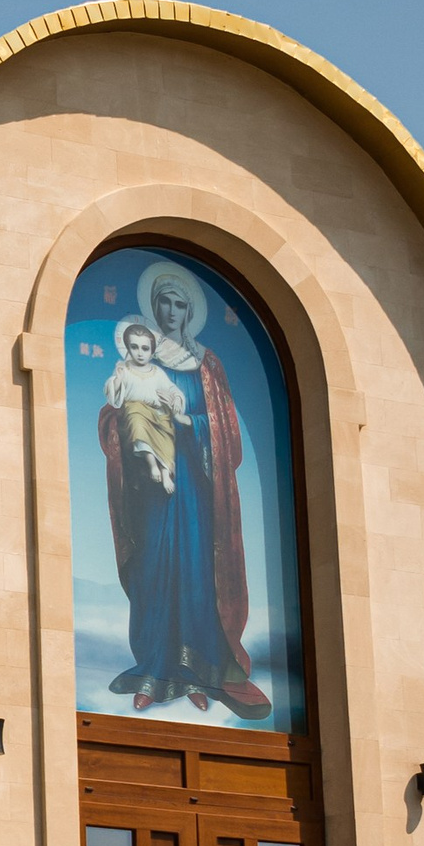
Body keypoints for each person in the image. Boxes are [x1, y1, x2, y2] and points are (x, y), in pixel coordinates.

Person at [96, 260, 274, 719]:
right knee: (153, 570)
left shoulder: (207, 364)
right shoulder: (141, 360)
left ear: (189, 311)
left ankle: (199, 673)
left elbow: (227, 431)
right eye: (164, 303)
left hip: (197, 488)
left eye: (179, 304)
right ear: (154, 309)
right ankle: (155, 671)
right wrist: (128, 425)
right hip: (153, 491)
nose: (171, 310)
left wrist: (187, 421)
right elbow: (114, 414)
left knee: (197, 572)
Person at [102, 322, 185, 493]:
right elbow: (112, 394)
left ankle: (165, 472)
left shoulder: (157, 372)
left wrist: (176, 399)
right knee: (137, 422)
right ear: (128, 348)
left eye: (145, 348)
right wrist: (118, 379)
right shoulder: (125, 370)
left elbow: (171, 388)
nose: (140, 353)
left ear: (152, 351)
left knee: (168, 435)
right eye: (135, 347)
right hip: (135, 412)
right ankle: (152, 465)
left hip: (158, 414)